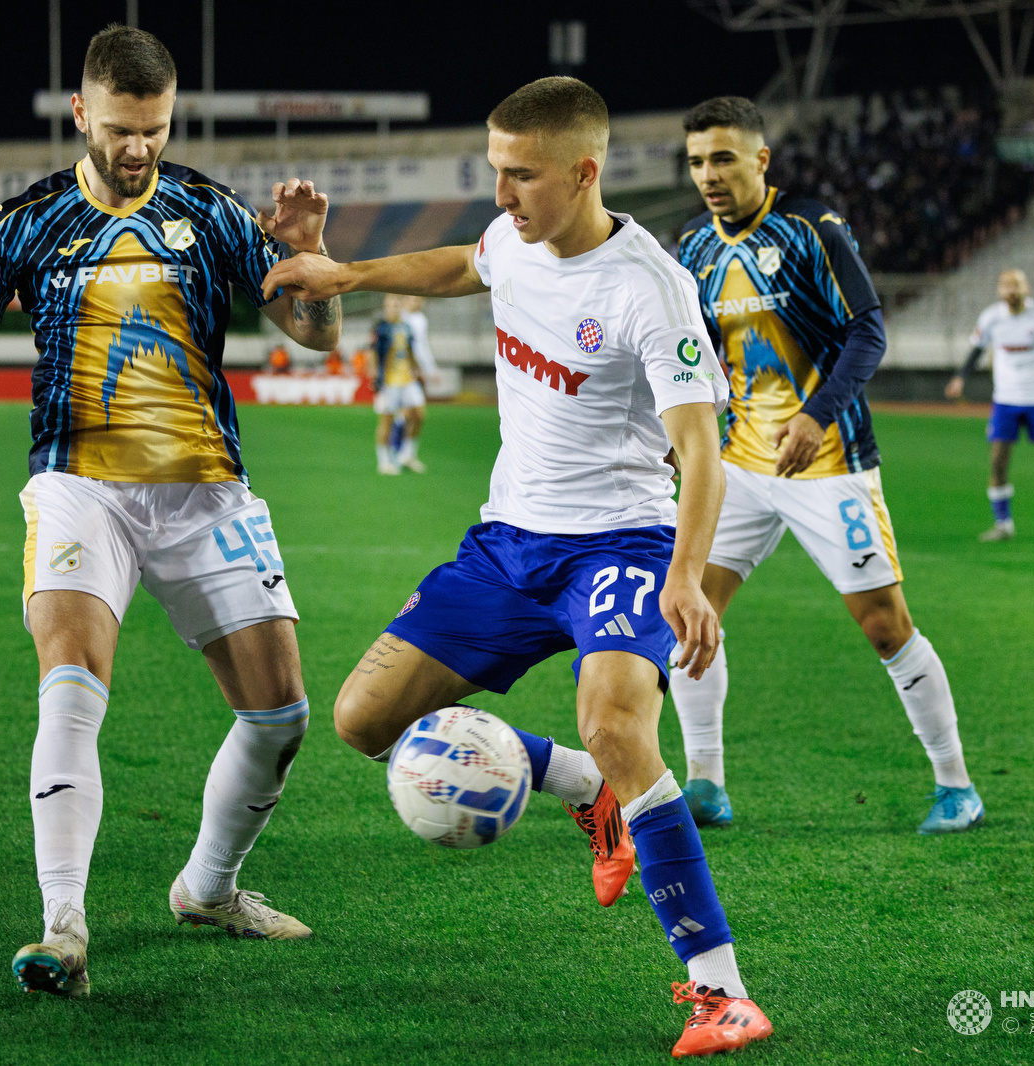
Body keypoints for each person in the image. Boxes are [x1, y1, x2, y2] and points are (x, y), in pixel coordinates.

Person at [264, 77, 771, 1057]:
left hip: (618, 547)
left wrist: (685, 575)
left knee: (619, 721)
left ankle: (721, 991)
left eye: (521, 176)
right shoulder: (514, 238)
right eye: (495, 172)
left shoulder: (646, 286)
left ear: (583, 172)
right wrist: (348, 274)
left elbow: (703, 450)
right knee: (362, 720)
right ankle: (581, 788)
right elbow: (467, 261)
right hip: (504, 544)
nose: (503, 195)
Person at [0, 24, 341, 999]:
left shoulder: (207, 211)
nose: (138, 147)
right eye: (121, 128)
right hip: (79, 482)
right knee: (70, 678)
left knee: (280, 714)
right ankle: (64, 927)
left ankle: (208, 888)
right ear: (81, 114)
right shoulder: (32, 219)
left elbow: (310, 336)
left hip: (202, 486)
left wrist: (312, 266)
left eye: (155, 128)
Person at [673, 96, 983, 836]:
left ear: (760, 159)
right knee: (690, 618)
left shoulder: (811, 228)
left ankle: (956, 785)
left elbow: (867, 331)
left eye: (722, 158)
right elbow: (697, 355)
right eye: (695, 162)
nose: (708, 175)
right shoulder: (692, 247)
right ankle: (705, 783)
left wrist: (815, 415)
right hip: (737, 463)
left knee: (884, 625)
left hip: (830, 460)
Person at [946, 268, 1034, 544]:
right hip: (1006, 401)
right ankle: (1003, 525)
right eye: (1005, 285)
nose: (1011, 290)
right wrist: (960, 378)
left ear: (1027, 288)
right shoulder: (991, 318)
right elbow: (976, 349)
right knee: (998, 463)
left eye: (1016, 285)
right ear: (999, 291)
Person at [371, 294, 438, 474]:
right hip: (389, 382)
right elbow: (374, 355)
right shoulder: (381, 328)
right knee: (387, 420)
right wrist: (376, 378)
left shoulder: (406, 327)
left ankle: (407, 454)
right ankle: (383, 461)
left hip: (407, 379)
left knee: (419, 413)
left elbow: (410, 351)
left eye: (395, 305)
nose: (392, 309)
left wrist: (419, 371)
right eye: (389, 306)